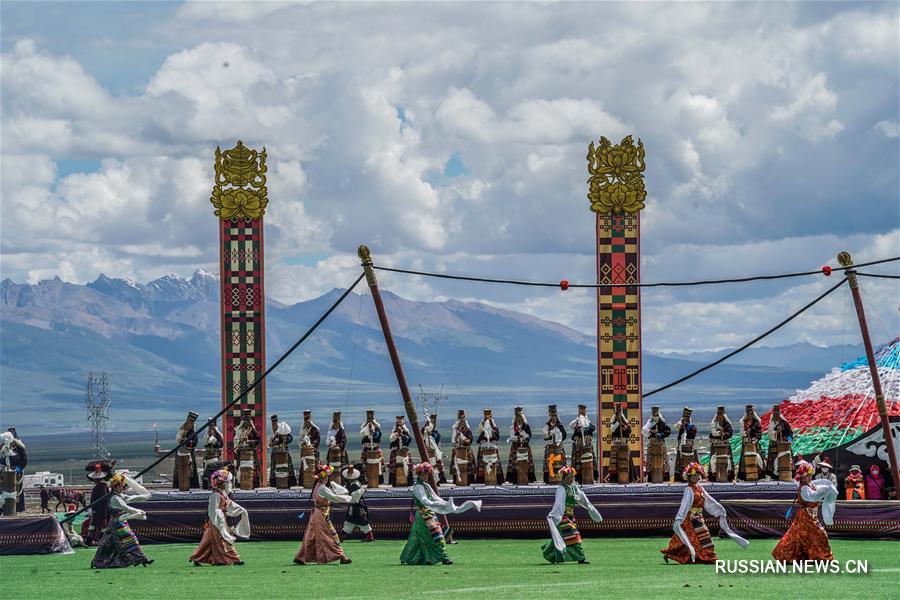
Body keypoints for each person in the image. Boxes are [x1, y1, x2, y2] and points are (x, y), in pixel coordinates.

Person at [660, 462, 749, 564]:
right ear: (689, 477)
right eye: (693, 475)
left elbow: (708, 500)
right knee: (698, 539)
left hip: (698, 517)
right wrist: (680, 518)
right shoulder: (689, 489)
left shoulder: (700, 488)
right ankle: (707, 558)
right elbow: (684, 505)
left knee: (700, 539)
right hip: (690, 519)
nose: (696, 477)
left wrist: (720, 509)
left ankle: (704, 557)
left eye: (697, 475)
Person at [400, 462, 482, 565]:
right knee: (435, 535)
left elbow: (435, 498)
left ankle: (412, 557)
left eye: (427, 474)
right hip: (423, 515)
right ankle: (443, 558)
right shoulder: (418, 487)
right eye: (423, 474)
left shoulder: (426, 485)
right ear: (419, 474)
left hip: (429, 514)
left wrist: (445, 504)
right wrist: (439, 505)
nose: (425, 476)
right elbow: (425, 501)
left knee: (421, 537)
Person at [294, 465, 362, 565]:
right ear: (323, 477)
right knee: (330, 535)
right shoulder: (322, 488)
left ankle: (301, 557)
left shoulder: (318, 487)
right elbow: (334, 498)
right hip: (321, 515)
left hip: (316, 514)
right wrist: (350, 499)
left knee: (311, 536)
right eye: (327, 477)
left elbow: (332, 494)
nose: (328, 478)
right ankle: (342, 556)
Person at [772, 460, 837, 562]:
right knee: (819, 534)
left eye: (810, 475)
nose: (810, 477)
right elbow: (813, 497)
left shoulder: (810, 485)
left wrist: (827, 488)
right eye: (807, 476)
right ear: (802, 477)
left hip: (811, 515)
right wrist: (824, 490)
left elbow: (818, 488)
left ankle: (813, 557)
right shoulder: (804, 488)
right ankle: (824, 558)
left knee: (801, 537)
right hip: (806, 516)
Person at [542, 466, 603, 564]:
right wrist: (554, 515)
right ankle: (581, 558)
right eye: (568, 477)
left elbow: (584, 499)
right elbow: (558, 504)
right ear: (564, 478)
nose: (571, 479)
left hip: (571, 516)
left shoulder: (574, 488)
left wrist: (593, 512)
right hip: (563, 516)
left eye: (572, 477)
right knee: (574, 535)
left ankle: (550, 554)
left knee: (562, 537)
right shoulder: (561, 489)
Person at [90, 472, 153, 568]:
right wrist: (139, 511)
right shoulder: (115, 498)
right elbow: (126, 508)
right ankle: (142, 558)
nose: (123, 487)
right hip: (116, 523)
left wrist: (145, 496)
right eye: (121, 485)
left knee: (107, 544)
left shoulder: (120, 496)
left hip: (120, 522)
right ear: (115, 487)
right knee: (129, 538)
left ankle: (98, 561)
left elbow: (131, 498)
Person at [190, 468, 249, 566]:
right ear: (219, 483)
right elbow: (213, 510)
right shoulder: (215, 495)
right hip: (216, 522)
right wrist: (220, 518)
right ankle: (235, 559)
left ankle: (197, 558)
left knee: (207, 542)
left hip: (219, 520)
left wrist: (240, 509)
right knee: (223, 540)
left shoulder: (223, 493)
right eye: (224, 482)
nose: (226, 484)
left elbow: (229, 504)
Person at [340, 464, 373, 542]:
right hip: (356, 504)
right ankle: (341, 537)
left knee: (357, 520)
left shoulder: (354, 485)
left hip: (356, 505)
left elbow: (354, 496)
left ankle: (341, 537)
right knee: (352, 521)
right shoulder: (355, 483)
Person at [84, 460, 114, 546]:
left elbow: (104, 502)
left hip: (101, 512)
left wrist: (104, 514)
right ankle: (95, 539)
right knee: (97, 526)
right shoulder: (101, 487)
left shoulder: (101, 487)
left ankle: (97, 540)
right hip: (98, 511)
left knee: (99, 526)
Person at [506, 406, 536, 484]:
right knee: (515, 463)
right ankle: (514, 479)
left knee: (527, 462)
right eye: (517, 417)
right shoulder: (513, 427)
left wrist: (523, 434)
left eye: (520, 417)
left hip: (525, 447)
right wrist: (518, 438)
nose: (519, 419)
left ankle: (528, 478)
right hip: (516, 447)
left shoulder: (526, 426)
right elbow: (512, 437)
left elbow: (529, 435)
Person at [642, 406, 671, 483]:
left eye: (657, 415)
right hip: (652, 444)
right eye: (654, 416)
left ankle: (663, 477)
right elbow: (644, 431)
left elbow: (668, 431)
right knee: (651, 461)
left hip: (660, 444)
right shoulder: (649, 423)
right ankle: (651, 478)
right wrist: (650, 432)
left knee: (663, 460)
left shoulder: (662, 423)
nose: (656, 417)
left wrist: (661, 434)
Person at [570, 404, 598, 484]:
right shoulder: (576, 422)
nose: (582, 412)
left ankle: (590, 476)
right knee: (578, 461)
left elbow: (592, 428)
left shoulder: (587, 421)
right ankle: (579, 478)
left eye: (583, 411)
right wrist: (578, 421)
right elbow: (571, 425)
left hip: (587, 443)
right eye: (580, 411)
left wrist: (586, 426)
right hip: (578, 443)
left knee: (588, 460)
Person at [233, 410, 261, 489]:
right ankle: (241, 485)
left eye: (248, 421)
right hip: (242, 454)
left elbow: (258, 440)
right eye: (245, 422)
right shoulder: (239, 431)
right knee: (241, 469)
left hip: (251, 454)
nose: (247, 423)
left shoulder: (253, 431)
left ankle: (253, 485)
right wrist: (241, 441)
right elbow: (235, 441)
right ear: (243, 422)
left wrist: (249, 441)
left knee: (252, 469)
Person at [476, 409, 505, 484]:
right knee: (483, 463)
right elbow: (481, 434)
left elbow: (497, 436)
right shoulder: (481, 424)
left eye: (489, 416)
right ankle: (482, 480)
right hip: (484, 446)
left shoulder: (494, 425)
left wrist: (490, 430)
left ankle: (497, 479)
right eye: (486, 416)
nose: (488, 418)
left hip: (492, 447)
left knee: (495, 462)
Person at [173, 411, 200, 490]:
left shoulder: (193, 433)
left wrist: (188, 441)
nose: (189, 425)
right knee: (179, 469)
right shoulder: (181, 431)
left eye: (191, 424)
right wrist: (182, 438)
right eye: (188, 423)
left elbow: (194, 443)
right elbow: (178, 440)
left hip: (189, 452)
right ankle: (178, 485)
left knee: (190, 469)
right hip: (180, 453)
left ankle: (192, 485)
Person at [765, 405, 793, 480]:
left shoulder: (784, 423)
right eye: (775, 414)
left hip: (785, 444)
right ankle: (775, 476)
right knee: (774, 460)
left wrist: (789, 439)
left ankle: (786, 474)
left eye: (777, 414)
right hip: (775, 444)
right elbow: (770, 433)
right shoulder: (772, 424)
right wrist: (776, 432)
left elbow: (790, 432)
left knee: (785, 459)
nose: (776, 416)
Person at [268, 415, 297, 488]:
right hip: (275, 453)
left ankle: (289, 483)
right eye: (273, 424)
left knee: (287, 467)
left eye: (275, 424)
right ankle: (275, 484)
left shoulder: (282, 429)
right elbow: (269, 444)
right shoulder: (272, 433)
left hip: (284, 452)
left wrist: (285, 438)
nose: (274, 426)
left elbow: (290, 438)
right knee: (275, 468)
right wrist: (273, 443)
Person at [708, 406, 734, 482]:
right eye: (719, 416)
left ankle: (728, 476)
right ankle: (713, 476)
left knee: (727, 460)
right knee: (714, 460)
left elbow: (730, 433)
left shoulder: (727, 424)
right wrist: (719, 433)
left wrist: (724, 434)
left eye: (721, 416)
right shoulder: (714, 424)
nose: (720, 417)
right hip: (716, 445)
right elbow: (713, 433)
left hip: (725, 445)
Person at [738, 405, 764, 481]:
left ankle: (759, 475)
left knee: (758, 458)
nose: (750, 415)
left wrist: (754, 437)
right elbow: (742, 433)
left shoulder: (756, 423)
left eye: (751, 414)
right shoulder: (743, 422)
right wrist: (746, 433)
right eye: (749, 414)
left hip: (754, 443)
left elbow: (759, 433)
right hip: (746, 443)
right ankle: (744, 476)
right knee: (744, 460)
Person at [542, 405, 567, 483]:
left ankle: (561, 477)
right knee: (549, 463)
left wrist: (559, 439)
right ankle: (549, 479)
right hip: (550, 448)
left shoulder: (560, 425)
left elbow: (565, 435)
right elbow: (545, 436)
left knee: (561, 461)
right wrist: (550, 435)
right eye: (552, 416)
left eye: (555, 416)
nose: (553, 418)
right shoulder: (547, 426)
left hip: (558, 447)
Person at [450, 410, 476, 485]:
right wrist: (457, 440)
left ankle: (468, 480)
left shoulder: (468, 430)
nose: (462, 423)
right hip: (458, 450)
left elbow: (470, 439)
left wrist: (464, 440)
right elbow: (453, 440)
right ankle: (457, 480)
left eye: (463, 422)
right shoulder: (456, 430)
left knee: (468, 465)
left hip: (466, 450)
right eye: (461, 422)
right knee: (456, 464)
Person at [673, 407, 698, 482]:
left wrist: (687, 425)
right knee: (680, 462)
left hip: (689, 446)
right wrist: (681, 423)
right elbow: (675, 428)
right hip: (681, 446)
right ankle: (681, 477)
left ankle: (692, 477)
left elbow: (693, 433)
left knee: (691, 462)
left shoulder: (692, 427)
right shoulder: (681, 425)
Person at [360, 410, 383, 486]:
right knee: (365, 465)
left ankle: (378, 481)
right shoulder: (364, 427)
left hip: (375, 448)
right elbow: (362, 435)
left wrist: (373, 433)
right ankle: (367, 480)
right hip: (367, 449)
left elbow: (379, 435)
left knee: (377, 464)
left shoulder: (377, 427)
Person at [422, 413, 447, 484]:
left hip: (435, 451)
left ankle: (439, 480)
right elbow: (421, 434)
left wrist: (431, 434)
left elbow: (437, 436)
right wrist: (425, 428)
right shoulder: (425, 430)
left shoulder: (435, 432)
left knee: (437, 465)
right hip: (428, 450)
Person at [388, 415, 413, 486]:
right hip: (395, 452)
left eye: (400, 424)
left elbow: (409, 440)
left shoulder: (406, 432)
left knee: (407, 466)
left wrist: (402, 435)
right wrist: (396, 434)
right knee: (393, 467)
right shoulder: (394, 432)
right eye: (398, 424)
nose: (399, 426)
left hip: (404, 452)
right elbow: (391, 439)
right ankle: (393, 482)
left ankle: (408, 481)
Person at [326, 411, 350, 480]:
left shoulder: (342, 431)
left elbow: (344, 440)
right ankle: (329, 481)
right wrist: (331, 444)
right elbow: (327, 442)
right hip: (332, 452)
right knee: (330, 467)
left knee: (343, 467)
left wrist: (338, 446)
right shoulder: (330, 432)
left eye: (338, 424)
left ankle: (343, 480)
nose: (337, 425)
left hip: (341, 452)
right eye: (335, 423)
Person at [203, 416, 225, 489]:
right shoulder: (206, 435)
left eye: (213, 427)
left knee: (216, 472)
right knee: (208, 472)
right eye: (210, 427)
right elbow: (206, 444)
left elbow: (220, 444)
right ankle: (209, 485)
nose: (211, 428)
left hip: (216, 457)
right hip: (208, 457)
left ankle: (215, 485)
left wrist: (214, 440)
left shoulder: (218, 435)